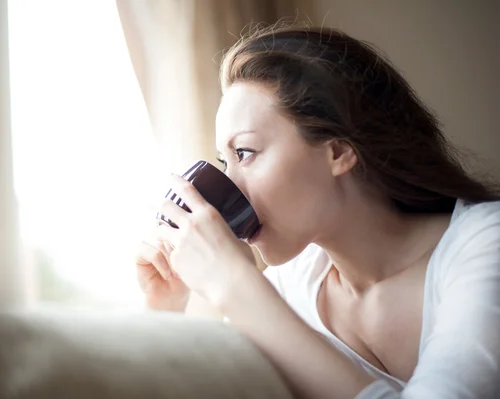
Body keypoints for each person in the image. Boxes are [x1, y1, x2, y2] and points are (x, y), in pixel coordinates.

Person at [134, 24, 500, 398]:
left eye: (244, 153)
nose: (230, 185)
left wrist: (233, 284)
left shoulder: (487, 243)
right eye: (223, 162)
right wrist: (163, 309)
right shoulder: (286, 290)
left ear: (339, 152)